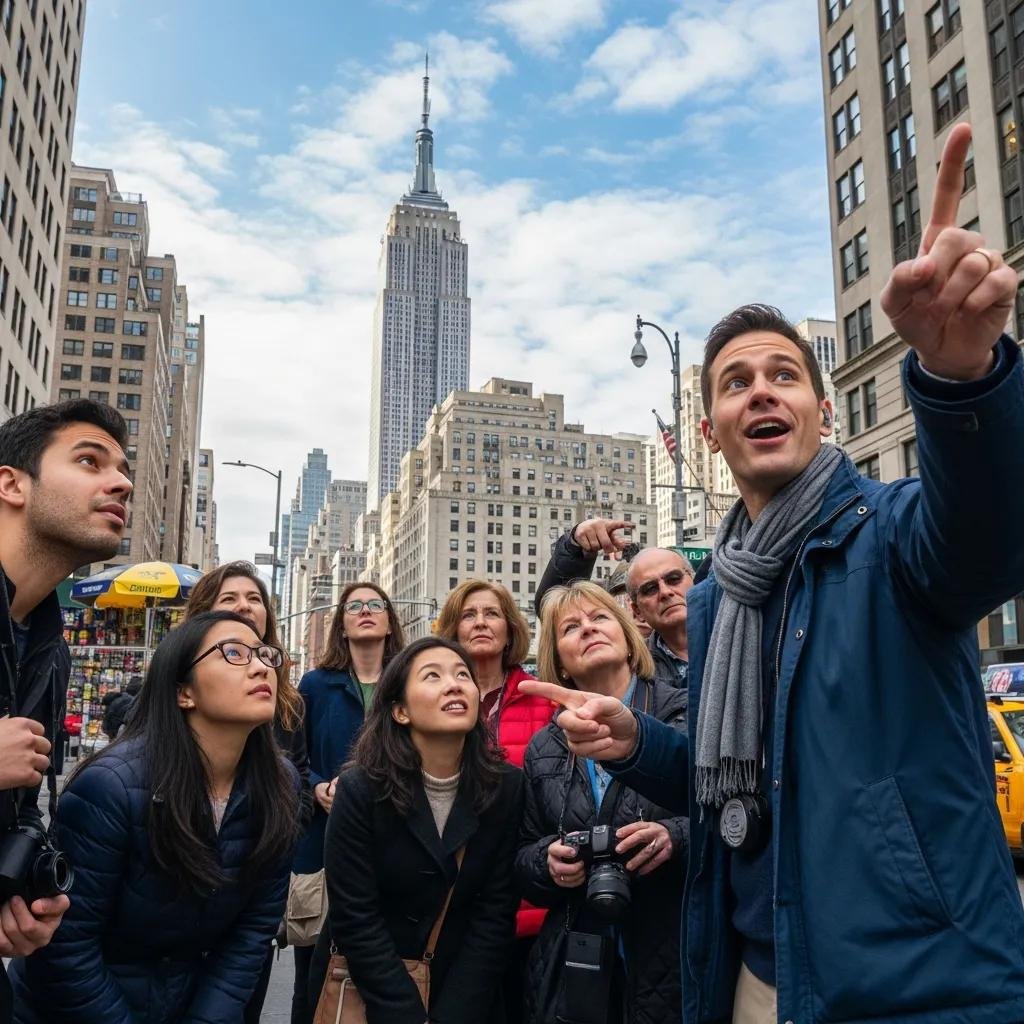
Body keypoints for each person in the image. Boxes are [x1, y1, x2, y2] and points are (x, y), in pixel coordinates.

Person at [522, 124, 1024, 1024]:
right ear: (708, 430)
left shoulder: (893, 530)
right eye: (736, 380)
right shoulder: (719, 598)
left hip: (910, 985)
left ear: (821, 412)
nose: (761, 390)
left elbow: (991, 538)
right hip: (751, 970)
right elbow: (742, 777)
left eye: (784, 375)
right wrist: (639, 744)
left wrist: (959, 379)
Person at [9, 611, 299, 1022]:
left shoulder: (280, 784)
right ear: (184, 692)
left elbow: (252, 934)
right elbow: (66, 948)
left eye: (266, 655)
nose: (259, 667)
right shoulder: (110, 786)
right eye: (233, 653)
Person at [309, 636, 523, 1023]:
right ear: (400, 711)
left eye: (463, 674)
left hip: (463, 993)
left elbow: (494, 914)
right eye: (433, 676)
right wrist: (407, 1014)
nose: (454, 684)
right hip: (365, 992)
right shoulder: (360, 789)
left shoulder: (506, 787)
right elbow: (355, 916)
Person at [0, 398, 133, 1022]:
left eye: (124, 468)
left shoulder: (47, 647)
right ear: (11, 484)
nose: (123, 482)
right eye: (89, 460)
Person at [516, 582, 686, 1024]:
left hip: (674, 950)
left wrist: (674, 836)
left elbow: (729, 816)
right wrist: (547, 863)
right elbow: (522, 854)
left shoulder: (686, 711)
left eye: (600, 618)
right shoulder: (544, 747)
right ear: (561, 660)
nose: (588, 629)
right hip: (577, 963)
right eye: (571, 627)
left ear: (630, 638)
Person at [184, 560, 314, 1022]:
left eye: (254, 599)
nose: (244, 607)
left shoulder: (285, 701)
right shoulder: (171, 691)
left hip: (250, 893)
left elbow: (297, 780)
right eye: (230, 599)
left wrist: (272, 833)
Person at [435, 580, 555, 1022]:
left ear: (510, 628)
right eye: (469, 614)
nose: (481, 622)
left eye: (492, 613)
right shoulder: (434, 702)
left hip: (528, 899)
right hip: (453, 896)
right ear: (452, 628)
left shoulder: (543, 700)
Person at [291, 581, 406, 1024]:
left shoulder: (407, 681)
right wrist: (318, 785)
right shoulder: (315, 685)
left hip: (392, 838)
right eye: (354, 606)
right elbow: (292, 757)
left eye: (375, 605)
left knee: (386, 964)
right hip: (323, 841)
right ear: (341, 623)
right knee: (315, 973)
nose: (364, 611)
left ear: (389, 620)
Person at [537, 520, 694, 688]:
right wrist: (575, 550)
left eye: (674, 579)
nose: (665, 592)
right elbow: (553, 608)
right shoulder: (633, 669)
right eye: (649, 589)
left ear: (696, 581)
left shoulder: (725, 634)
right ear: (637, 610)